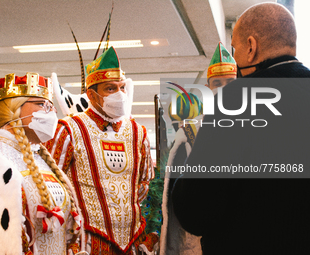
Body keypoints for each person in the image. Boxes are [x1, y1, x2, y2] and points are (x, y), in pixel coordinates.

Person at [172, 3, 310, 255]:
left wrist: (180, 182)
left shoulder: (236, 101)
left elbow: (197, 212)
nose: (234, 60)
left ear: (251, 46)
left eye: (234, 48)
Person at [45, 46, 155, 254]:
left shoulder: (138, 132)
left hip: (132, 242)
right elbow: (50, 188)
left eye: (122, 87)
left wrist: (146, 231)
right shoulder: (67, 129)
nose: (121, 94)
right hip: (86, 242)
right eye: (111, 88)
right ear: (91, 95)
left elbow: (145, 184)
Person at [0, 72, 83, 254]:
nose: (52, 112)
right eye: (41, 104)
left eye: (51, 106)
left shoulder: (40, 158)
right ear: (13, 110)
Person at [160, 42, 236, 255]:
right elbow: (178, 198)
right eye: (217, 83)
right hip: (203, 236)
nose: (224, 88)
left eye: (230, 82)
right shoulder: (191, 131)